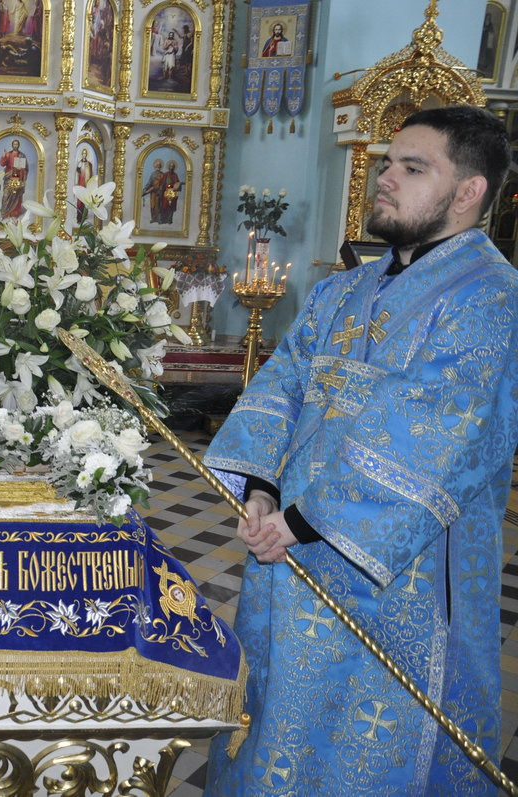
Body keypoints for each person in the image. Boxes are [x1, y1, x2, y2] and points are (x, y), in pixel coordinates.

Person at [202, 105, 518, 795]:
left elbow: (436, 436)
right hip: (287, 546)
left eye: (413, 167)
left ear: (469, 191)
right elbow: (283, 384)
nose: (386, 178)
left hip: (397, 574)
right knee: (278, 713)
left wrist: (300, 520)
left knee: (368, 738)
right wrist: (261, 488)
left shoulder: (492, 300)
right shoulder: (342, 289)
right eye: (386, 162)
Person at [0, 138, 28, 219]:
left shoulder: (22, 155)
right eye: (14, 144)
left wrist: (21, 169)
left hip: (18, 178)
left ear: (18, 145)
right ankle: (5, 214)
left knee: (16, 195)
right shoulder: (8, 154)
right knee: (6, 195)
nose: (15, 145)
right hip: (9, 178)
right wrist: (3, 156)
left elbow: (26, 168)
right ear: (12, 145)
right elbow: (2, 164)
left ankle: (15, 213)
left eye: (16, 144)